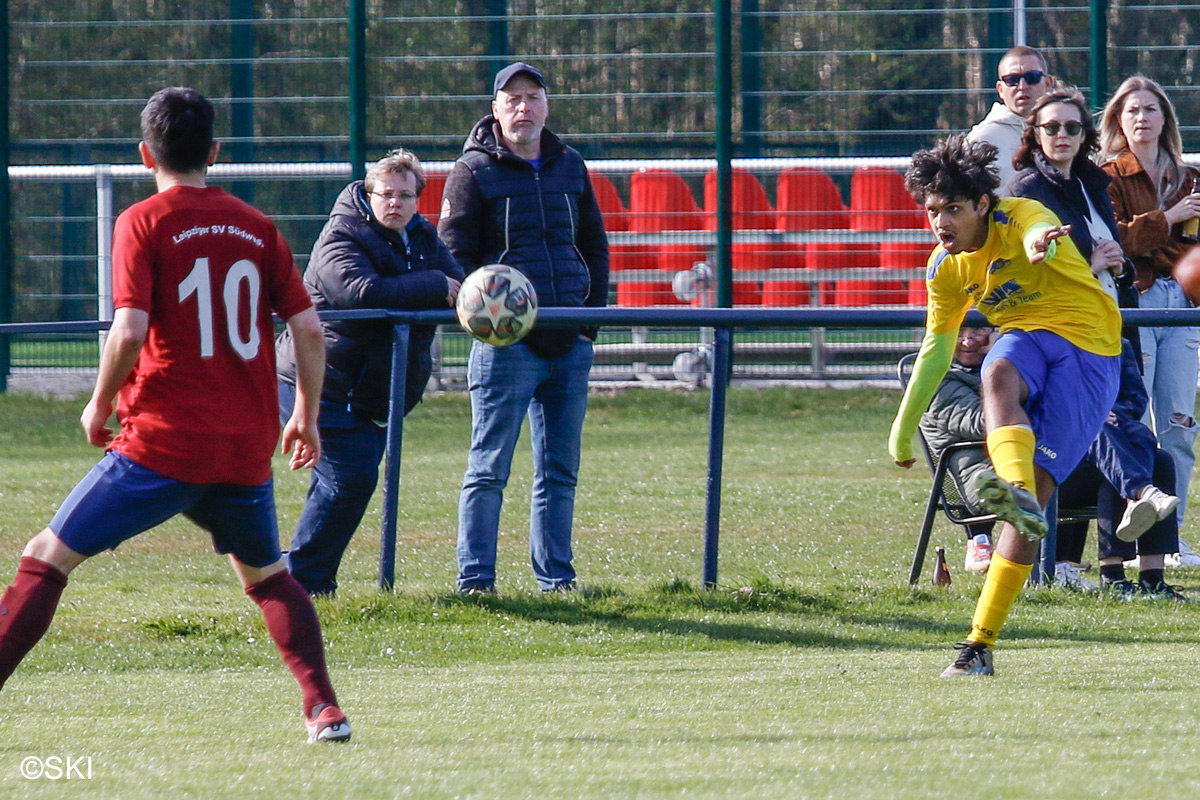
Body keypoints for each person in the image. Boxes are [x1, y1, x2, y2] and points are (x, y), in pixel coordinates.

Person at [0, 88, 350, 742]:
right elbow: (307, 328)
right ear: (214, 151)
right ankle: (324, 709)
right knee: (269, 578)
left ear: (145, 154)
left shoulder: (142, 221)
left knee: (45, 556)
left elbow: (130, 329)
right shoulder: (256, 225)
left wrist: (99, 402)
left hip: (164, 444)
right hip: (243, 444)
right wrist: (305, 414)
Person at [890, 133, 1122, 677]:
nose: (940, 222)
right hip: (1028, 337)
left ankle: (981, 638)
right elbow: (936, 349)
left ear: (982, 205)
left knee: (1036, 496)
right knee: (995, 371)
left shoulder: (1020, 217)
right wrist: (902, 428)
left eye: (953, 209)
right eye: (932, 211)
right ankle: (1014, 496)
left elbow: (1040, 229)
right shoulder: (944, 268)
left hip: (1090, 351)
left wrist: (1043, 243)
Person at [438, 62, 610, 594]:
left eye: (532, 97)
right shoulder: (472, 171)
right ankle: (476, 582)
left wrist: (588, 325)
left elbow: (595, 246)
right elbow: (452, 255)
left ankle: (557, 581)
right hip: (506, 348)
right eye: (512, 99)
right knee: (488, 468)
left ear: (546, 106)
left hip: (569, 341)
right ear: (495, 109)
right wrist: (486, 316)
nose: (523, 107)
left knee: (560, 472)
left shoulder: (571, 165)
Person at [1005, 85, 1183, 594]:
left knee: (1150, 445)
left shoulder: (1092, 184)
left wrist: (1120, 267)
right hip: (1060, 338)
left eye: (1072, 127)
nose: (1061, 135)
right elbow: (1026, 267)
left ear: (1085, 134)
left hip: (1106, 325)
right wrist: (1089, 261)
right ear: (1035, 134)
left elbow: (1114, 251)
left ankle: (1149, 578)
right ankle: (1130, 519)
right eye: (1051, 127)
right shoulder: (1026, 190)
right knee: (1103, 427)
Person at [275, 149, 463, 596]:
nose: (395, 202)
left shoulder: (423, 236)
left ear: (417, 200)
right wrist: (434, 285)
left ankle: (299, 577)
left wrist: (459, 287)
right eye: (386, 194)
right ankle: (303, 580)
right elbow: (361, 293)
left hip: (368, 391)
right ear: (368, 193)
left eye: (405, 195)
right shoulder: (342, 232)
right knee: (350, 479)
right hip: (316, 381)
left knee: (340, 484)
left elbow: (459, 281)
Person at [1099, 76, 1200, 547]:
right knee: (1135, 423)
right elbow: (1117, 241)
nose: (1142, 117)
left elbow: (1192, 249)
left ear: (1165, 119)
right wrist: (1168, 220)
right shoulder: (1107, 176)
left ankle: (1171, 539)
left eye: (1150, 109)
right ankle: (1139, 539)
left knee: (1179, 425)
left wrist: (1165, 242)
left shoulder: (1189, 177)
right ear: (1118, 120)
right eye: (1132, 110)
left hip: (1183, 303)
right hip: (1135, 300)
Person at [918, 326, 998, 573]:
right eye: (960, 331)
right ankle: (980, 540)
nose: (968, 341)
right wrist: (999, 364)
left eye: (978, 330)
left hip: (1018, 462)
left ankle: (1068, 560)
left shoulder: (1016, 366)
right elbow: (985, 423)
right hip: (983, 478)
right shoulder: (938, 380)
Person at [966, 45, 1056, 187]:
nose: (1022, 86)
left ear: (1048, 83)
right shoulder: (982, 140)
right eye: (1012, 80)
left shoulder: (1065, 131)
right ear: (1000, 89)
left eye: (1032, 77)